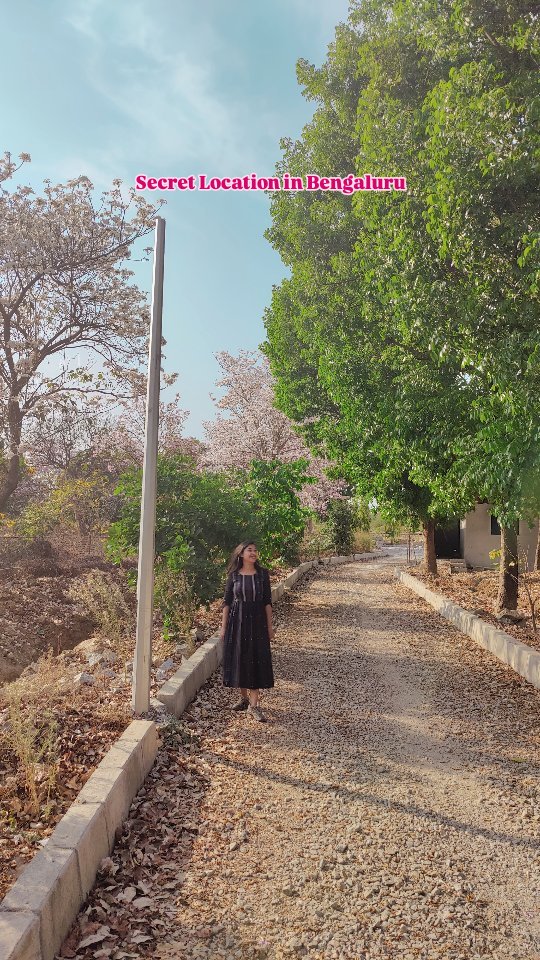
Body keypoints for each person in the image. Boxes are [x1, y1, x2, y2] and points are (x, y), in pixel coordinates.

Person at [220, 540, 275, 722]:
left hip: (258, 622)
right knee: (240, 658)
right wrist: (224, 627)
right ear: (241, 554)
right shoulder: (234, 575)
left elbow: (267, 602)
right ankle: (244, 699)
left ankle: (254, 706)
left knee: (255, 659)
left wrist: (270, 627)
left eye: (255, 550)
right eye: (249, 550)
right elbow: (227, 602)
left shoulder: (262, 575)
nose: (253, 553)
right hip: (237, 622)